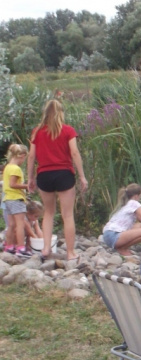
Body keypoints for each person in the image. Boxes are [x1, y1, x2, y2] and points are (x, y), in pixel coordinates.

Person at [27, 99, 89, 261]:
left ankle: (46, 248)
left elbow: (31, 156)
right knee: (67, 215)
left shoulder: (37, 132)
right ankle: (70, 253)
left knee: (48, 213)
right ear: (61, 113)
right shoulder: (68, 130)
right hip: (63, 174)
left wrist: (30, 178)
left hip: (44, 175)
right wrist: (82, 176)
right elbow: (74, 153)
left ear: (45, 113)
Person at [102, 183, 141, 256]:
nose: (140, 198)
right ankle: (122, 248)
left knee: (139, 225)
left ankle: (121, 247)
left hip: (107, 235)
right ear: (136, 196)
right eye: (140, 195)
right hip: (114, 236)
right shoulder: (134, 203)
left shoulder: (125, 203)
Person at [3, 144, 32, 257]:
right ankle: (21, 248)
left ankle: (9, 246)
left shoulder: (8, 167)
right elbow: (13, 184)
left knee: (11, 225)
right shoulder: (16, 168)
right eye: (24, 158)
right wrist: (27, 186)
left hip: (7, 199)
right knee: (20, 224)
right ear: (22, 156)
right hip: (16, 199)